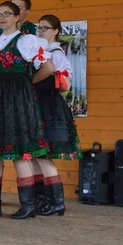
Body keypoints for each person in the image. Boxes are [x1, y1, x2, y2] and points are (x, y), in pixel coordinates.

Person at [0, 1, 53, 219]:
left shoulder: (27, 40)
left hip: (16, 96)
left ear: (17, 17)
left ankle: (28, 205)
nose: (2, 18)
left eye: (7, 14)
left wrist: (28, 82)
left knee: (21, 152)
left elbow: (48, 68)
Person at [31, 14, 83, 216]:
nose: (41, 31)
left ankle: (56, 201)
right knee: (35, 155)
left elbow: (65, 84)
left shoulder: (55, 53)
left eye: (45, 28)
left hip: (47, 104)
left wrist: (33, 81)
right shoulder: (40, 51)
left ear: (56, 32)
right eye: (40, 27)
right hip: (39, 101)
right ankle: (41, 199)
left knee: (43, 155)